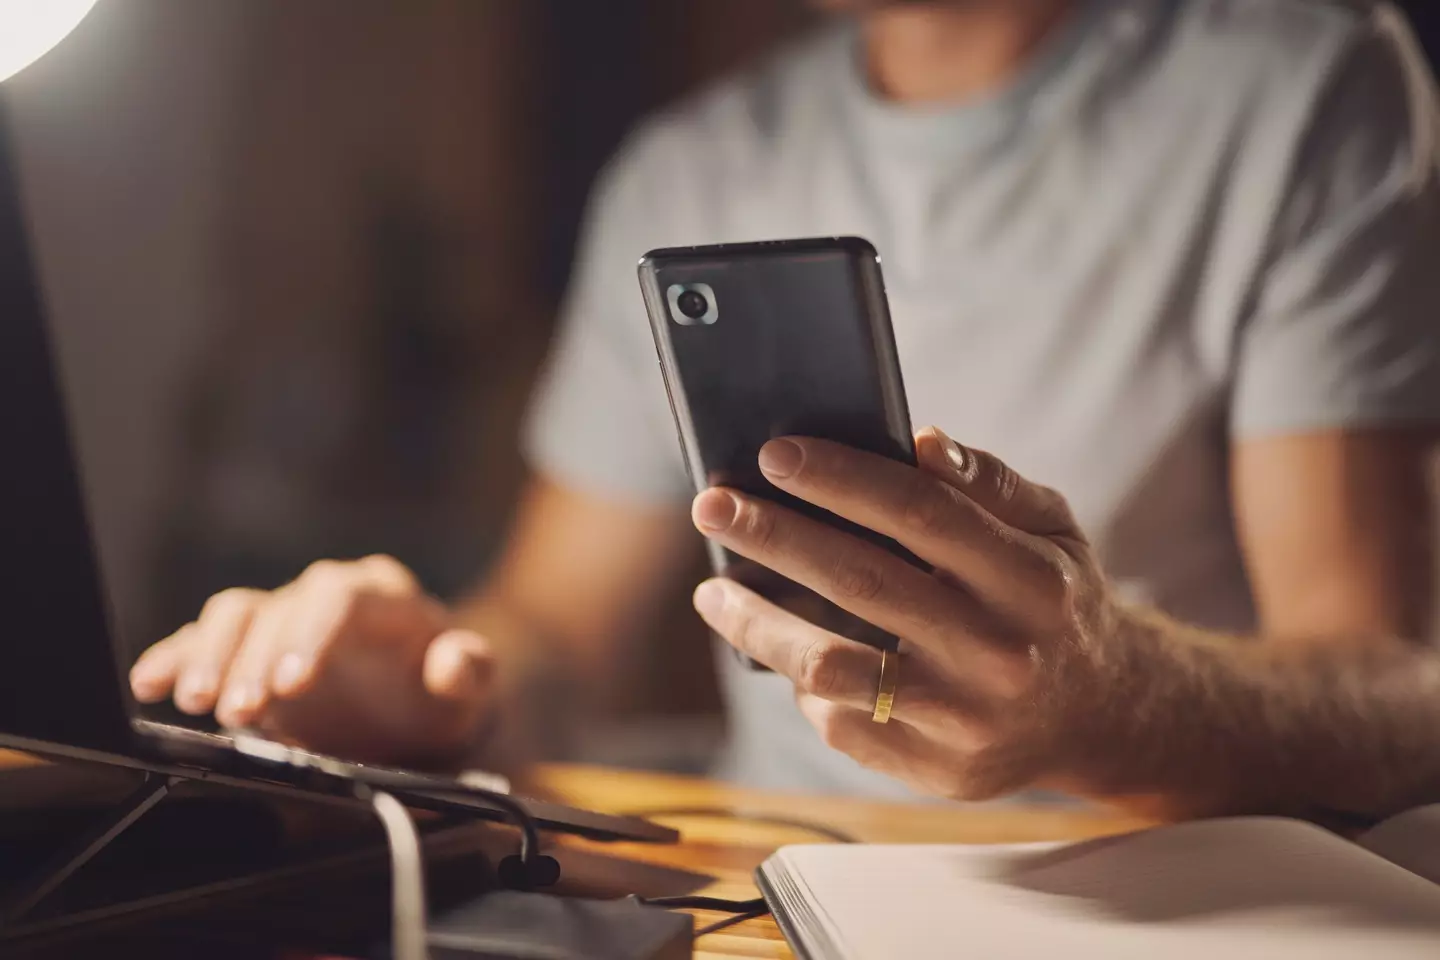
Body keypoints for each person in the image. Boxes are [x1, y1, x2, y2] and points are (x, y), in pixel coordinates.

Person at [130, 0, 1440, 811]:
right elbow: (550, 628)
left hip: (1157, 906)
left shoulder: (1304, 89)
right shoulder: (685, 170)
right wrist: (433, 686)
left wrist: (1110, 699)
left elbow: (1387, 689)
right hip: (776, 892)